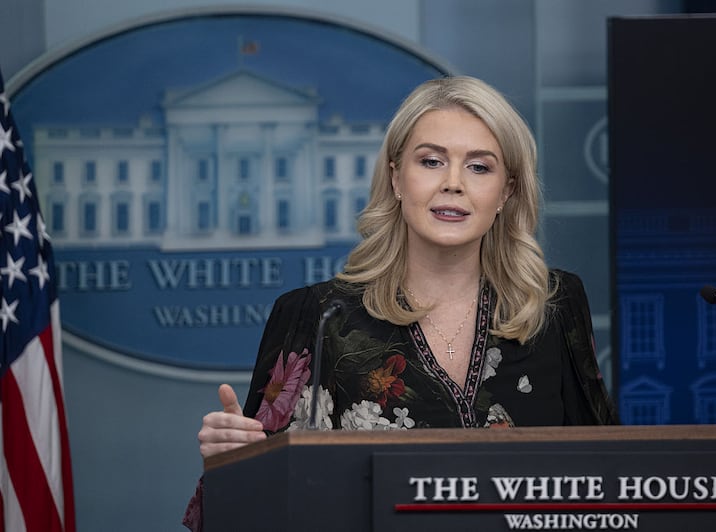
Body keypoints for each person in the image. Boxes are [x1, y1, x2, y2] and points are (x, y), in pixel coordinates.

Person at [183, 75, 618, 529]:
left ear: (507, 191)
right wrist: (236, 462)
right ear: (395, 177)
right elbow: (260, 506)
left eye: (479, 167)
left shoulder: (554, 304)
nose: (453, 184)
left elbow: (613, 477)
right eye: (431, 161)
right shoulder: (317, 315)